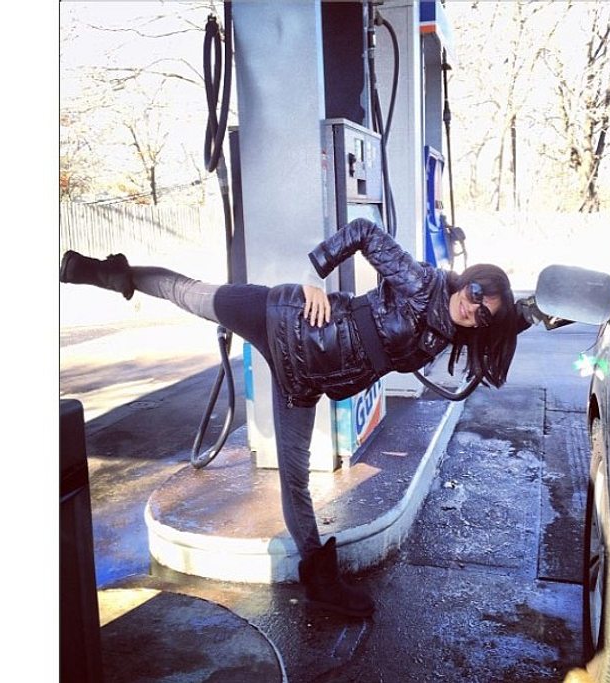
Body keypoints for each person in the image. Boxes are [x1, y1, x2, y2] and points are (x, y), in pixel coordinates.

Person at [60, 217, 532, 618]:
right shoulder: (421, 283)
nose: (473, 309)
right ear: (467, 279)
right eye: (475, 293)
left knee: (294, 478)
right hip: (285, 319)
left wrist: (539, 311)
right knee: (189, 294)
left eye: (484, 315)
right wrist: (315, 278)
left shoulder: (451, 333)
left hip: (302, 383)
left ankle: (319, 580)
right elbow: (364, 232)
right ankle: (105, 273)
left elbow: (509, 328)